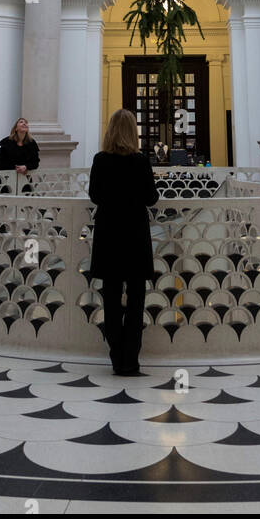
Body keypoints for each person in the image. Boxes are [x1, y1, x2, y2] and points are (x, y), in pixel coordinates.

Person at [88, 109, 158, 376]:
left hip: (109, 234)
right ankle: (131, 359)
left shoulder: (100, 160)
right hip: (135, 235)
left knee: (112, 300)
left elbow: (94, 195)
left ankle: (116, 358)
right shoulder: (140, 161)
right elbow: (151, 198)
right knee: (137, 299)